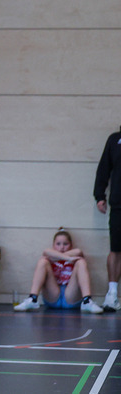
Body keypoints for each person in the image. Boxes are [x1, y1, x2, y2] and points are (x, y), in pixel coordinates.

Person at [14, 229, 103, 313]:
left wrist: (60, 257)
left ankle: (87, 301)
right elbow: (46, 251)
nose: (62, 247)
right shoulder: (49, 254)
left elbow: (78, 251)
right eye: (58, 244)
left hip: (71, 295)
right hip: (53, 295)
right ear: (53, 245)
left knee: (81, 262)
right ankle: (32, 299)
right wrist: (67, 258)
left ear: (71, 245)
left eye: (65, 244)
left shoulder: (75, 254)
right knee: (43, 261)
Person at [94, 124, 121, 311]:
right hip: (119, 204)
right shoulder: (114, 140)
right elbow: (103, 168)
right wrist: (99, 196)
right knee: (116, 249)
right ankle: (112, 295)